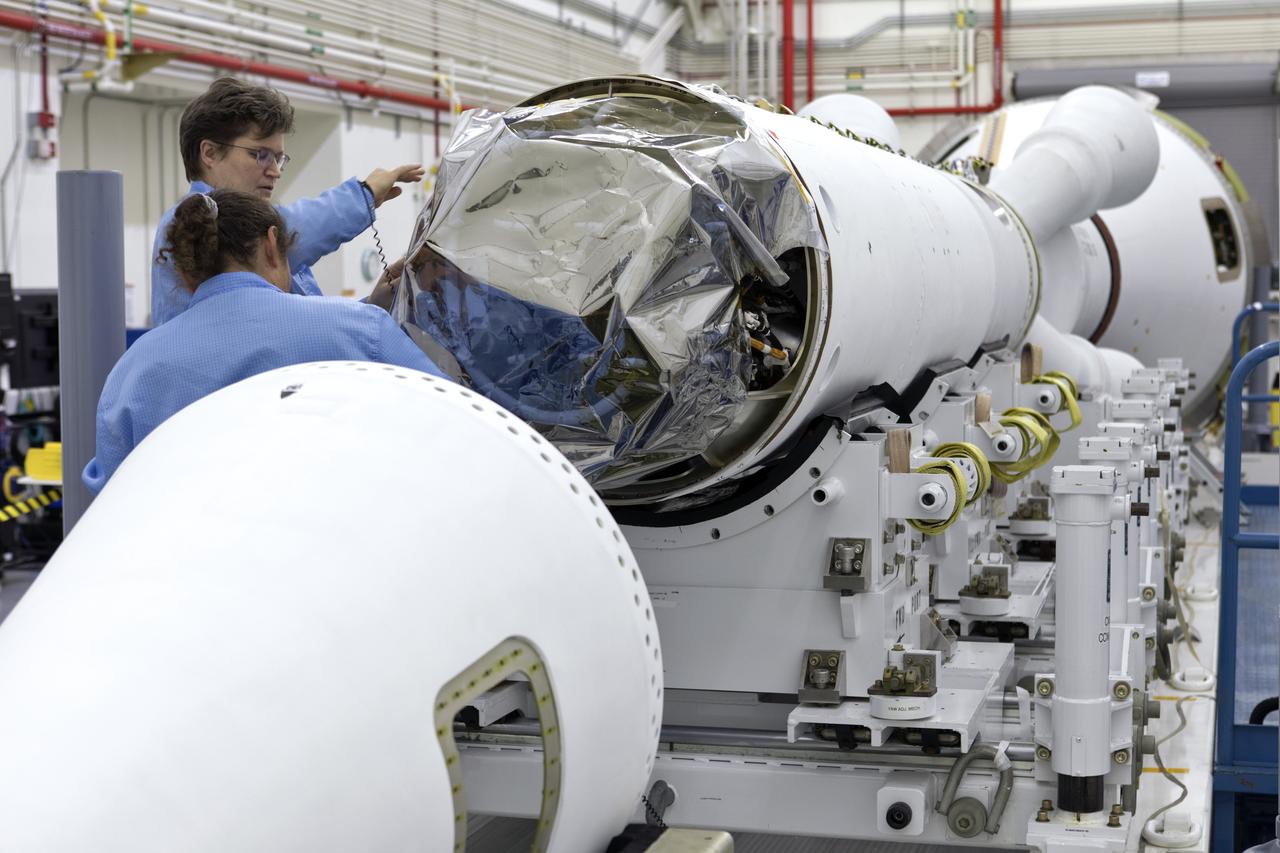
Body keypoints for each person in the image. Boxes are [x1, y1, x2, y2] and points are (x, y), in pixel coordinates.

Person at [85, 189, 444, 493]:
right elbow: (452, 422)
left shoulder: (134, 369)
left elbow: (110, 503)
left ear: (184, 270)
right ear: (273, 244)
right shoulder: (365, 331)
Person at [152, 76, 423, 325]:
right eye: (260, 154)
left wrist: (374, 304)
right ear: (210, 153)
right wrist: (363, 193)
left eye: (278, 158)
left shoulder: (268, 240)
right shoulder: (191, 224)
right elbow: (295, 228)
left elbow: (303, 329)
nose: (275, 170)